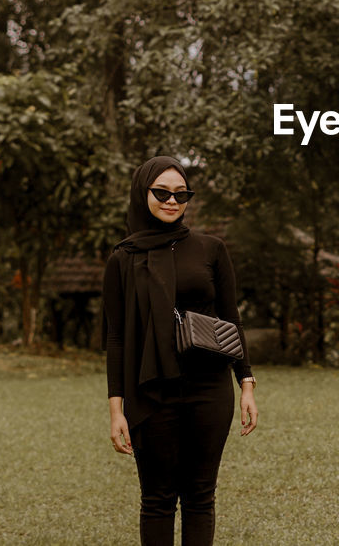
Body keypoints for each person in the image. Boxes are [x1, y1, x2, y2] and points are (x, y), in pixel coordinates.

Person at [103, 155, 258, 546]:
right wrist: (116, 410)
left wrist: (247, 383)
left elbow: (231, 318)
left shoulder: (211, 249)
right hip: (151, 390)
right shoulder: (123, 258)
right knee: (157, 499)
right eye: (161, 193)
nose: (172, 201)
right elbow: (117, 337)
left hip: (209, 388)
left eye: (181, 193)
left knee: (200, 498)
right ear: (143, 193)